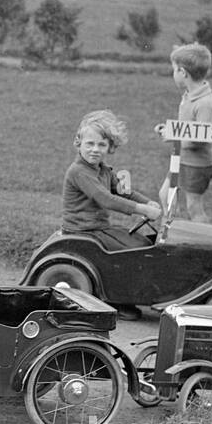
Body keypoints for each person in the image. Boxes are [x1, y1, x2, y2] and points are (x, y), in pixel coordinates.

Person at [62, 110, 162, 318]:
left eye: (101, 145)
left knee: (141, 242)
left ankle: (132, 294)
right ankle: (117, 301)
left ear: (110, 147)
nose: (95, 150)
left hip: (98, 227)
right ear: (78, 143)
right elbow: (105, 199)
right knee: (131, 252)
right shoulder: (79, 172)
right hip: (84, 229)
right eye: (90, 144)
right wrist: (143, 210)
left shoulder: (103, 169)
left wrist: (148, 202)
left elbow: (124, 191)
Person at [154, 42, 212, 222]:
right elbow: (186, 128)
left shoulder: (205, 103)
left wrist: (175, 137)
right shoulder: (189, 95)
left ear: (183, 73)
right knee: (166, 195)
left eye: (174, 70)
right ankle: (176, 233)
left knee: (194, 207)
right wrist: (169, 130)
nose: (173, 74)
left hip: (198, 165)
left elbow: (201, 139)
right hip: (183, 159)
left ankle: (205, 243)